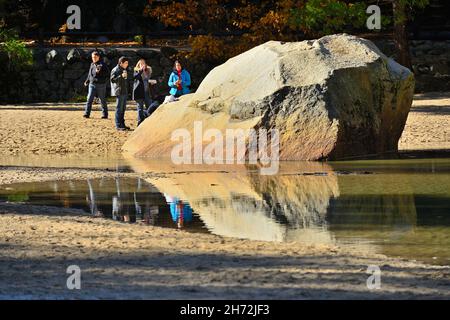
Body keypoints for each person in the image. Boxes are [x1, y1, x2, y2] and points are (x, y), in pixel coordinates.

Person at [132, 59, 160, 126]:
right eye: (141, 64)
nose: (142, 65)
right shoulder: (136, 71)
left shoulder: (148, 71)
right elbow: (136, 77)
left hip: (148, 92)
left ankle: (149, 122)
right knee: (140, 108)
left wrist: (153, 82)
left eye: (143, 63)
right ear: (138, 65)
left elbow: (150, 79)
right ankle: (140, 122)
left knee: (150, 107)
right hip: (139, 92)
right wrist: (141, 70)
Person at [84, 51, 110, 119]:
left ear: (98, 57)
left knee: (102, 100)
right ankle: (87, 113)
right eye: (92, 57)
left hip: (101, 85)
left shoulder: (103, 64)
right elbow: (90, 74)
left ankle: (105, 114)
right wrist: (87, 81)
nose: (93, 58)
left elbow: (107, 74)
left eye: (95, 57)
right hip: (92, 84)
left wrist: (99, 72)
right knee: (89, 99)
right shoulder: (92, 64)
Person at [110, 56, 131, 131]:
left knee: (123, 109)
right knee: (119, 108)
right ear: (121, 63)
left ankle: (122, 124)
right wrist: (121, 76)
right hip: (119, 91)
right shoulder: (115, 69)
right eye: (126, 63)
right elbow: (112, 80)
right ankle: (118, 125)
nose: (127, 64)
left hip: (124, 91)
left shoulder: (124, 69)